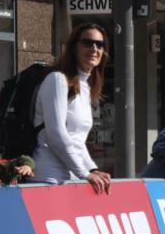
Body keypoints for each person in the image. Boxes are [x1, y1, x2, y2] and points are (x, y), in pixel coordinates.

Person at [31, 23, 112, 194]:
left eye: (100, 44)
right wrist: (84, 173)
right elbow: (56, 134)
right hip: (48, 178)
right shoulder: (57, 79)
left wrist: (91, 169)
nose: (94, 48)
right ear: (74, 47)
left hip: (71, 178)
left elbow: (77, 141)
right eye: (87, 43)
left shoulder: (85, 87)